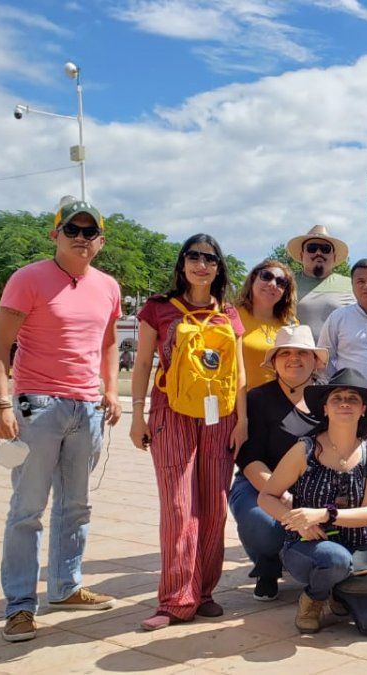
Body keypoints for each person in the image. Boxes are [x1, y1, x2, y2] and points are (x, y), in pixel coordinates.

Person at [0, 197, 122, 643]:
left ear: (100, 241)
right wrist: (0, 405)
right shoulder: (28, 279)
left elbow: (106, 342)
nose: (81, 239)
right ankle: (20, 605)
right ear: (56, 234)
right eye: (73, 230)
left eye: (90, 233)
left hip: (87, 409)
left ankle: (65, 587)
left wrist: (110, 390)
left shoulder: (108, 286)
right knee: (27, 510)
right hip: (38, 406)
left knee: (77, 506)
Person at [129, 234, 248, 630]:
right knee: (180, 506)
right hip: (171, 412)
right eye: (194, 257)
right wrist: (137, 416)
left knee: (214, 507)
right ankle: (175, 599)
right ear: (182, 263)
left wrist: (242, 421)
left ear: (219, 267)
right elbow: (143, 363)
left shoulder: (229, 314)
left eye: (210, 258)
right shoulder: (159, 309)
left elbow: (239, 374)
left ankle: (205, 591)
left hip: (220, 417)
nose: (201, 264)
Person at [258, 368, 367, 637]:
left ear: (363, 409)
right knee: (334, 558)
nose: (345, 403)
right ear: (326, 408)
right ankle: (314, 597)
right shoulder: (304, 449)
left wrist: (321, 515)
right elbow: (266, 496)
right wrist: (297, 523)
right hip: (310, 547)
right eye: (337, 398)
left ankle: (339, 593)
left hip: (359, 550)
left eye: (352, 399)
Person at [229, 325, 326, 602]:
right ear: (273, 361)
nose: (293, 358)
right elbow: (249, 459)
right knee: (262, 521)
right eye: (285, 353)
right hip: (262, 484)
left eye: (302, 353)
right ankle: (267, 566)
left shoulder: (329, 399)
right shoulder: (257, 399)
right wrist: (283, 498)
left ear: (315, 361)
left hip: (316, 489)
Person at [318, 258, 367, 388]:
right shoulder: (338, 318)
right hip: (349, 397)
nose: (366, 286)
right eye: (360, 281)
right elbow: (323, 358)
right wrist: (337, 384)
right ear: (352, 285)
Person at [236, 260, 298, 389]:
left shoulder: (290, 324)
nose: (273, 284)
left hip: (279, 403)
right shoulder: (231, 315)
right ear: (254, 278)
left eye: (281, 283)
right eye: (266, 276)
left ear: (285, 292)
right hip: (239, 402)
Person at [286, 224, 355, 338]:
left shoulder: (352, 285)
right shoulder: (286, 284)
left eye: (325, 249)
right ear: (301, 255)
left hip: (340, 355)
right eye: (312, 248)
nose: (318, 253)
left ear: (334, 256)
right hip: (297, 355)